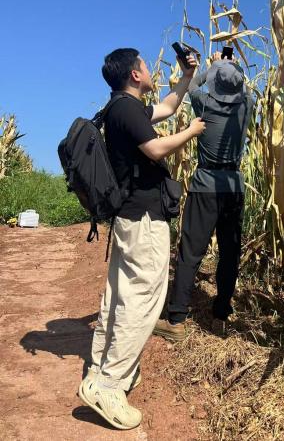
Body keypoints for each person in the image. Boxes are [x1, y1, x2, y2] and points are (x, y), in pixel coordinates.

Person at [78, 47, 205, 430]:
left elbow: (166, 106)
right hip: (144, 218)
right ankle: (109, 385)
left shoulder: (122, 108)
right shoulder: (127, 110)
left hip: (130, 218)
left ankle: (101, 369)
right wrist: (192, 131)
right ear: (135, 74)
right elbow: (155, 148)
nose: (150, 70)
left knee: (119, 296)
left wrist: (186, 77)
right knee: (143, 300)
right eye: (146, 66)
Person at [153, 50, 254, 341]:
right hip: (233, 188)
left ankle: (176, 320)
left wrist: (214, 66)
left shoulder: (204, 102)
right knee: (229, 254)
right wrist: (228, 66)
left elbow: (193, 84)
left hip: (205, 185)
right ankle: (220, 315)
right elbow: (243, 87)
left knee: (190, 253)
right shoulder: (247, 105)